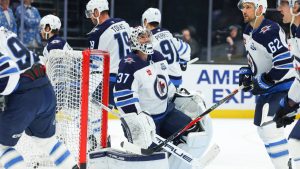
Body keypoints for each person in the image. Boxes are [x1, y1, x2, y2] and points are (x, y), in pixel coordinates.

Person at [114, 26, 211, 169]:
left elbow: (167, 86)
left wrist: (181, 97)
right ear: (134, 41)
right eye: (142, 37)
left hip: (166, 113)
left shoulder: (158, 56)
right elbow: (123, 96)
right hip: (147, 122)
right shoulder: (129, 63)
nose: (146, 39)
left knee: (194, 131)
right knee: (150, 159)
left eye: (148, 36)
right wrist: (138, 119)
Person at [0, 27, 78, 169]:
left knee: (1, 147)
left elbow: (9, 72)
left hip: (25, 96)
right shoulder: (4, 32)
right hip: (45, 89)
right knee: (48, 142)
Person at [238, 0, 296, 168]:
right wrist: (248, 72)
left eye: (248, 7)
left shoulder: (269, 30)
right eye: (243, 7)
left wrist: (266, 80)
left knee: (270, 128)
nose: (244, 10)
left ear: (260, 9)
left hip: (284, 85)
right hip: (268, 89)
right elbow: (258, 59)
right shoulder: (248, 30)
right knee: (263, 131)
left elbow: (285, 63)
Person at [85, 0, 131, 107]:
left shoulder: (97, 33)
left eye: (91, 13)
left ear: (97, 12)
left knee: (92, 104)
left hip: (114, 79)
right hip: (132, 73)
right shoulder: (123, 23)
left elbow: (94, 64)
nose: (90, 17)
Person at [276, 1, 300, 168]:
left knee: (296, 143)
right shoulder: (296, 32)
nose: (279, 9)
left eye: (283, 4)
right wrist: (289, 103)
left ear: (296, 6)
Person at [142, 7, 191, 88]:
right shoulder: (168, 35)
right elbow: (186, 48)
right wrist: (183, 62)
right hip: (176, 79)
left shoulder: (148, 39)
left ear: (146, 21)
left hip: (163, 81)